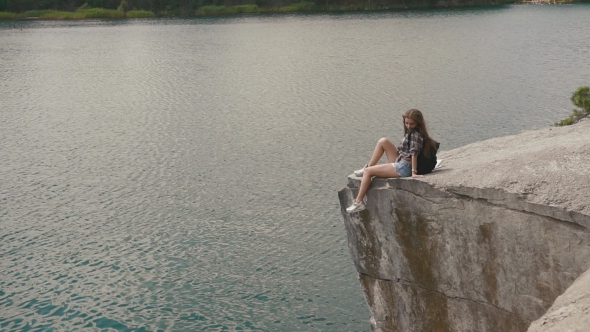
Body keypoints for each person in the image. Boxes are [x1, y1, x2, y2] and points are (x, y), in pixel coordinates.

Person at [346, 109, 437, 213]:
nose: (408, 126)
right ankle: (368, 167)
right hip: (401, 160)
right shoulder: (412, 132)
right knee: (383, 141)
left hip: (404, 167)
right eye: (406, 123)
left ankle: (358, 202)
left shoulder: (415, 135)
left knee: (368, 172)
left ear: (418, 123)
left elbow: (414, 153)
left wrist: (413, 173)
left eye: (412, 123)